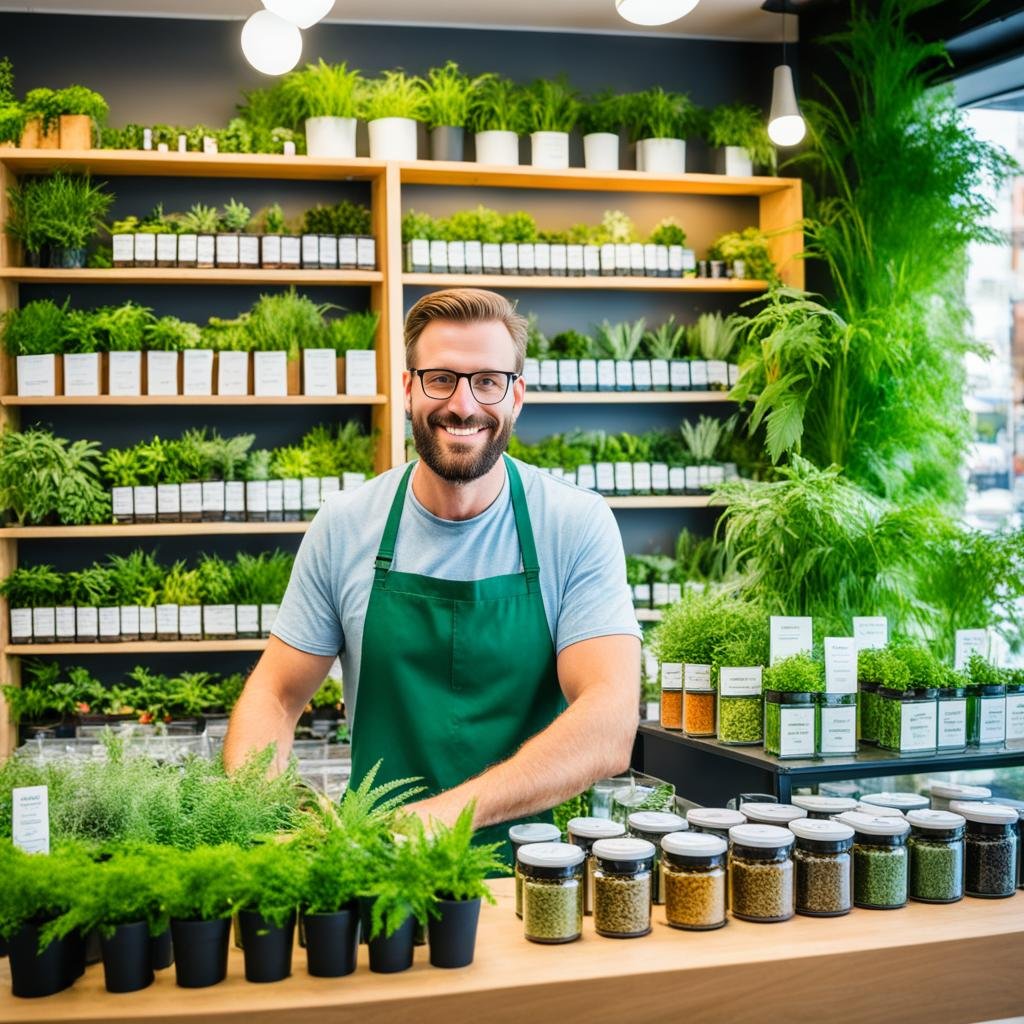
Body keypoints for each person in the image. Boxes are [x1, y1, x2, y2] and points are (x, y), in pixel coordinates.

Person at [224, 288, 641, 844]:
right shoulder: (346, 524)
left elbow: (610, 719)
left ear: (516, 396)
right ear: (407, 389)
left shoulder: (574, 523)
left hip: (530, 881)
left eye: (487, 381)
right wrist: (268, 814)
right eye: (440, 378)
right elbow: (273, 696)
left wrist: (440, 816)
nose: (463, 405)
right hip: (376, 866)